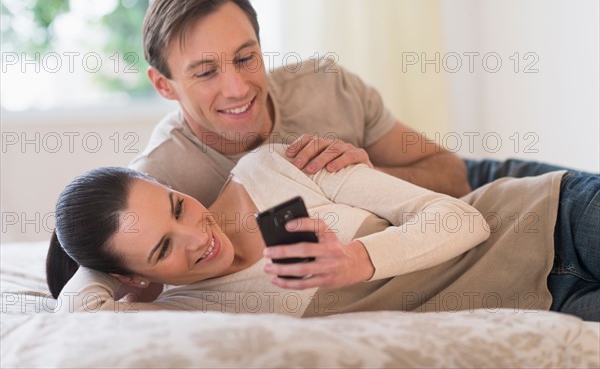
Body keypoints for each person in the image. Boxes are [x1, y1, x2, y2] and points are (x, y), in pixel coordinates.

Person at [47, 145, 600, 321]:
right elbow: (77, 324)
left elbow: (463, 219)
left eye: (176, 206)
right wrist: (105, 268)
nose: (198, 236)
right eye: (164, 247)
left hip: (549, 216)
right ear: (133, 276)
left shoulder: (268, 173)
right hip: (547, 300)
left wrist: (357, 259)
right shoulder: (186, 311)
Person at [130, 0, 473, 204]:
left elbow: (456, 178)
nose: (237, 88)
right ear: (164, 85)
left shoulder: (330, 87)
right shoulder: (159, 181)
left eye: (246, 57)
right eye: (206, 72)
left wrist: (366, 179)